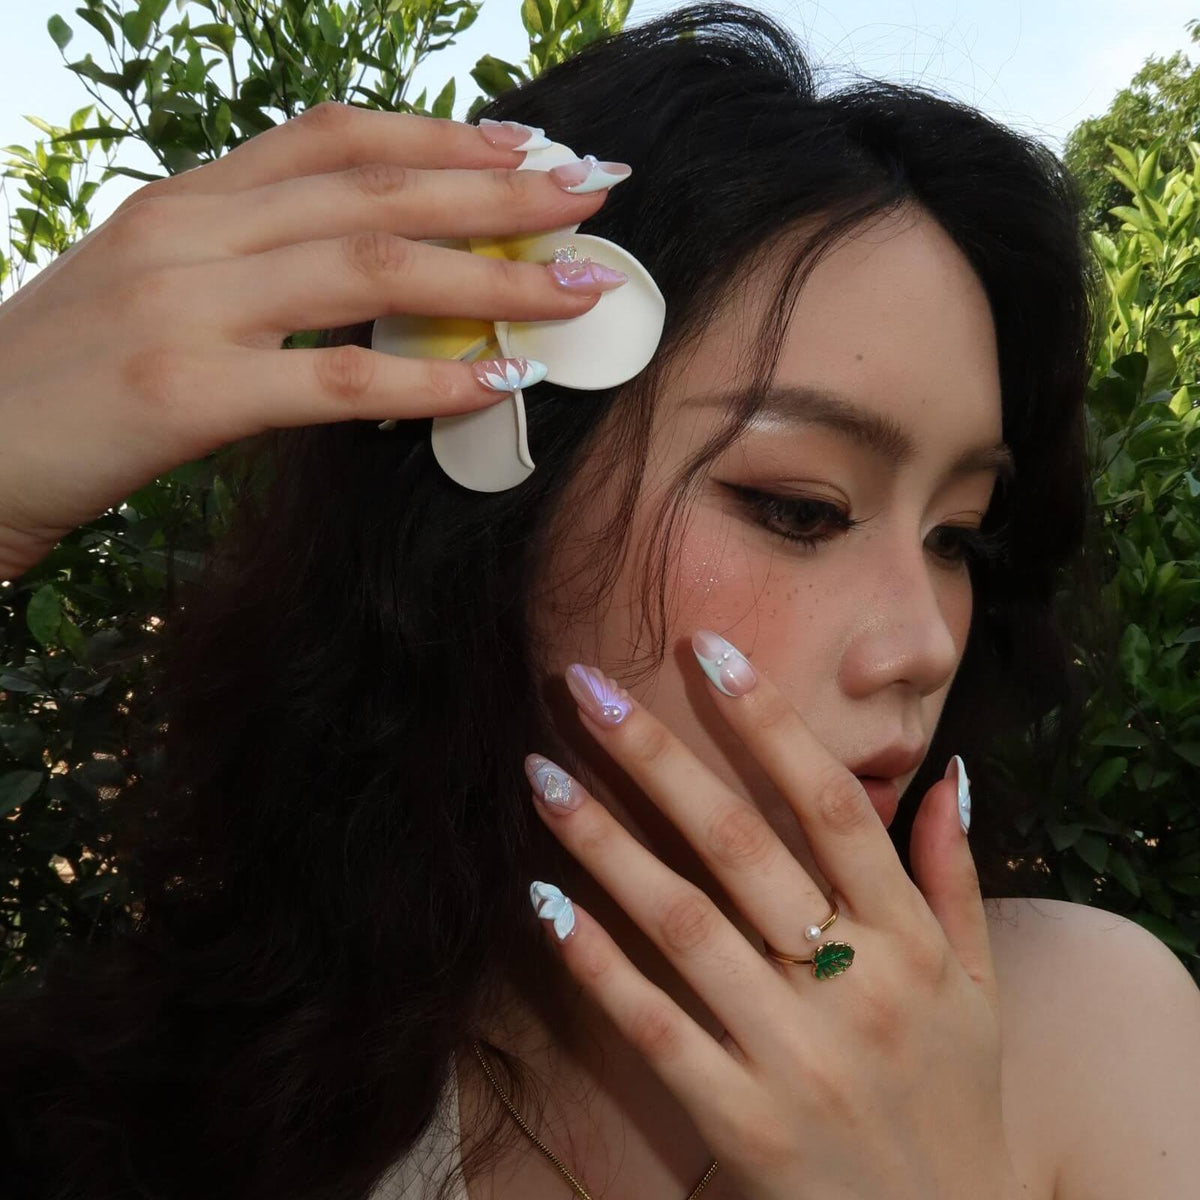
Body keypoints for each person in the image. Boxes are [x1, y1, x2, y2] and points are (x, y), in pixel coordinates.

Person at [1, 4, 1198, 1198]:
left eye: (959, 537)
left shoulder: (1096, 1035)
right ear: (495, 537)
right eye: (801, 507)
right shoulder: (234, 1079)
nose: (925, 643)